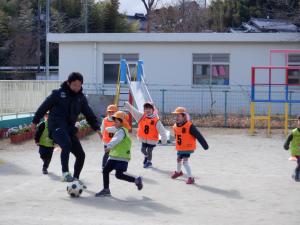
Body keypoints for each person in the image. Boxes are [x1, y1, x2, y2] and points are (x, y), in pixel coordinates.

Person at [32, 72, 101, 184]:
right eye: (74, 85)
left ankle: (76, 180)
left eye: (79, 85)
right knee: (66, 143)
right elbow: (44, 107)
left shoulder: (81, 98)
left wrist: (97, 128)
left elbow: (89, 114)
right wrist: (35, 121)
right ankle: (65, 173)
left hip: (69, 129)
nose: (77, 88)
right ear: (69, 83)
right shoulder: (58, 94)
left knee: (81, 155)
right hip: (56, 127)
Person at [95, 111, 143, 197]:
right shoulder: (120, 129)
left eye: (116, 121)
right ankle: (106, 189)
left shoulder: (121, 131)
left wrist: (108, 146)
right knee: (106, 171)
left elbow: (116, 140)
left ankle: (136, 180)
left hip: (121, 157)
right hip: (114, 157)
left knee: (118, 175)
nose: (114, 123)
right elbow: (111, 129)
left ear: (122, 122)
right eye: (114, 121)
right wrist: (105, 128)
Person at [171, 107, 209, 184]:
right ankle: (179, 172)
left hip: (187, 147)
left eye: (178, 116)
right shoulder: (175, 126)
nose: (176, 117)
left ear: (184, 116)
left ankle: (190, 178)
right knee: (178, 159)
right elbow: (177, 136)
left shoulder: (190, 126)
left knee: (185, 162)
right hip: (180, 147)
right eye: (175, 116)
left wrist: (205, 145)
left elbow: (198, 135)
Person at [124, 101, 167, 168]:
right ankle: (146, 157)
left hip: (152, 139)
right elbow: (133, 111)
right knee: (143, 150)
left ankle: (149, 162)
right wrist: (127, 105)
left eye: (149, 109)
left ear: (153, 110)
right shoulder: (141, 117)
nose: (147, 110)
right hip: (144, 139)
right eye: (146, 109)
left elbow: (162, 131)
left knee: (149, 151)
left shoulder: (156, 120)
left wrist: (164, 139)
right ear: (144, 110)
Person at [100, 104, 118, 170]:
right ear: (107, 112)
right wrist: (103, 135)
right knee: (107, 154)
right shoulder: (105, 120)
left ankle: (115, 166)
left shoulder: (117, 120)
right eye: (109, 112)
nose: (111, 113)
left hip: (115, 140)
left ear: (116, 112)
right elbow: (102, 129)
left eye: (113, 112)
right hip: (107, 141)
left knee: (116, 154)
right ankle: (103, 166)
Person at [284, 115, 300, 181]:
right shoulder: (294, 132)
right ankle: (296, 171)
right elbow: (289, 138)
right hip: (296, 150)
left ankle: (295, 173)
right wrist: (286, 144)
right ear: (298, 122)